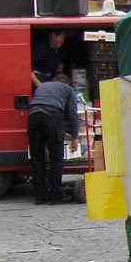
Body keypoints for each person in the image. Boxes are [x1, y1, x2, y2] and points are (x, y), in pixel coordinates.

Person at [28, 72, 80, 204]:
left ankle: (40, 197)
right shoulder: (68, 89)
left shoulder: (43, 87)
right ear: (67, 83)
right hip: (52, 115)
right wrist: (75, 137)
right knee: (56, 158)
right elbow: (73, 114)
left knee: (37, 159)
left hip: (33, 117)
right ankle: (56, 196)